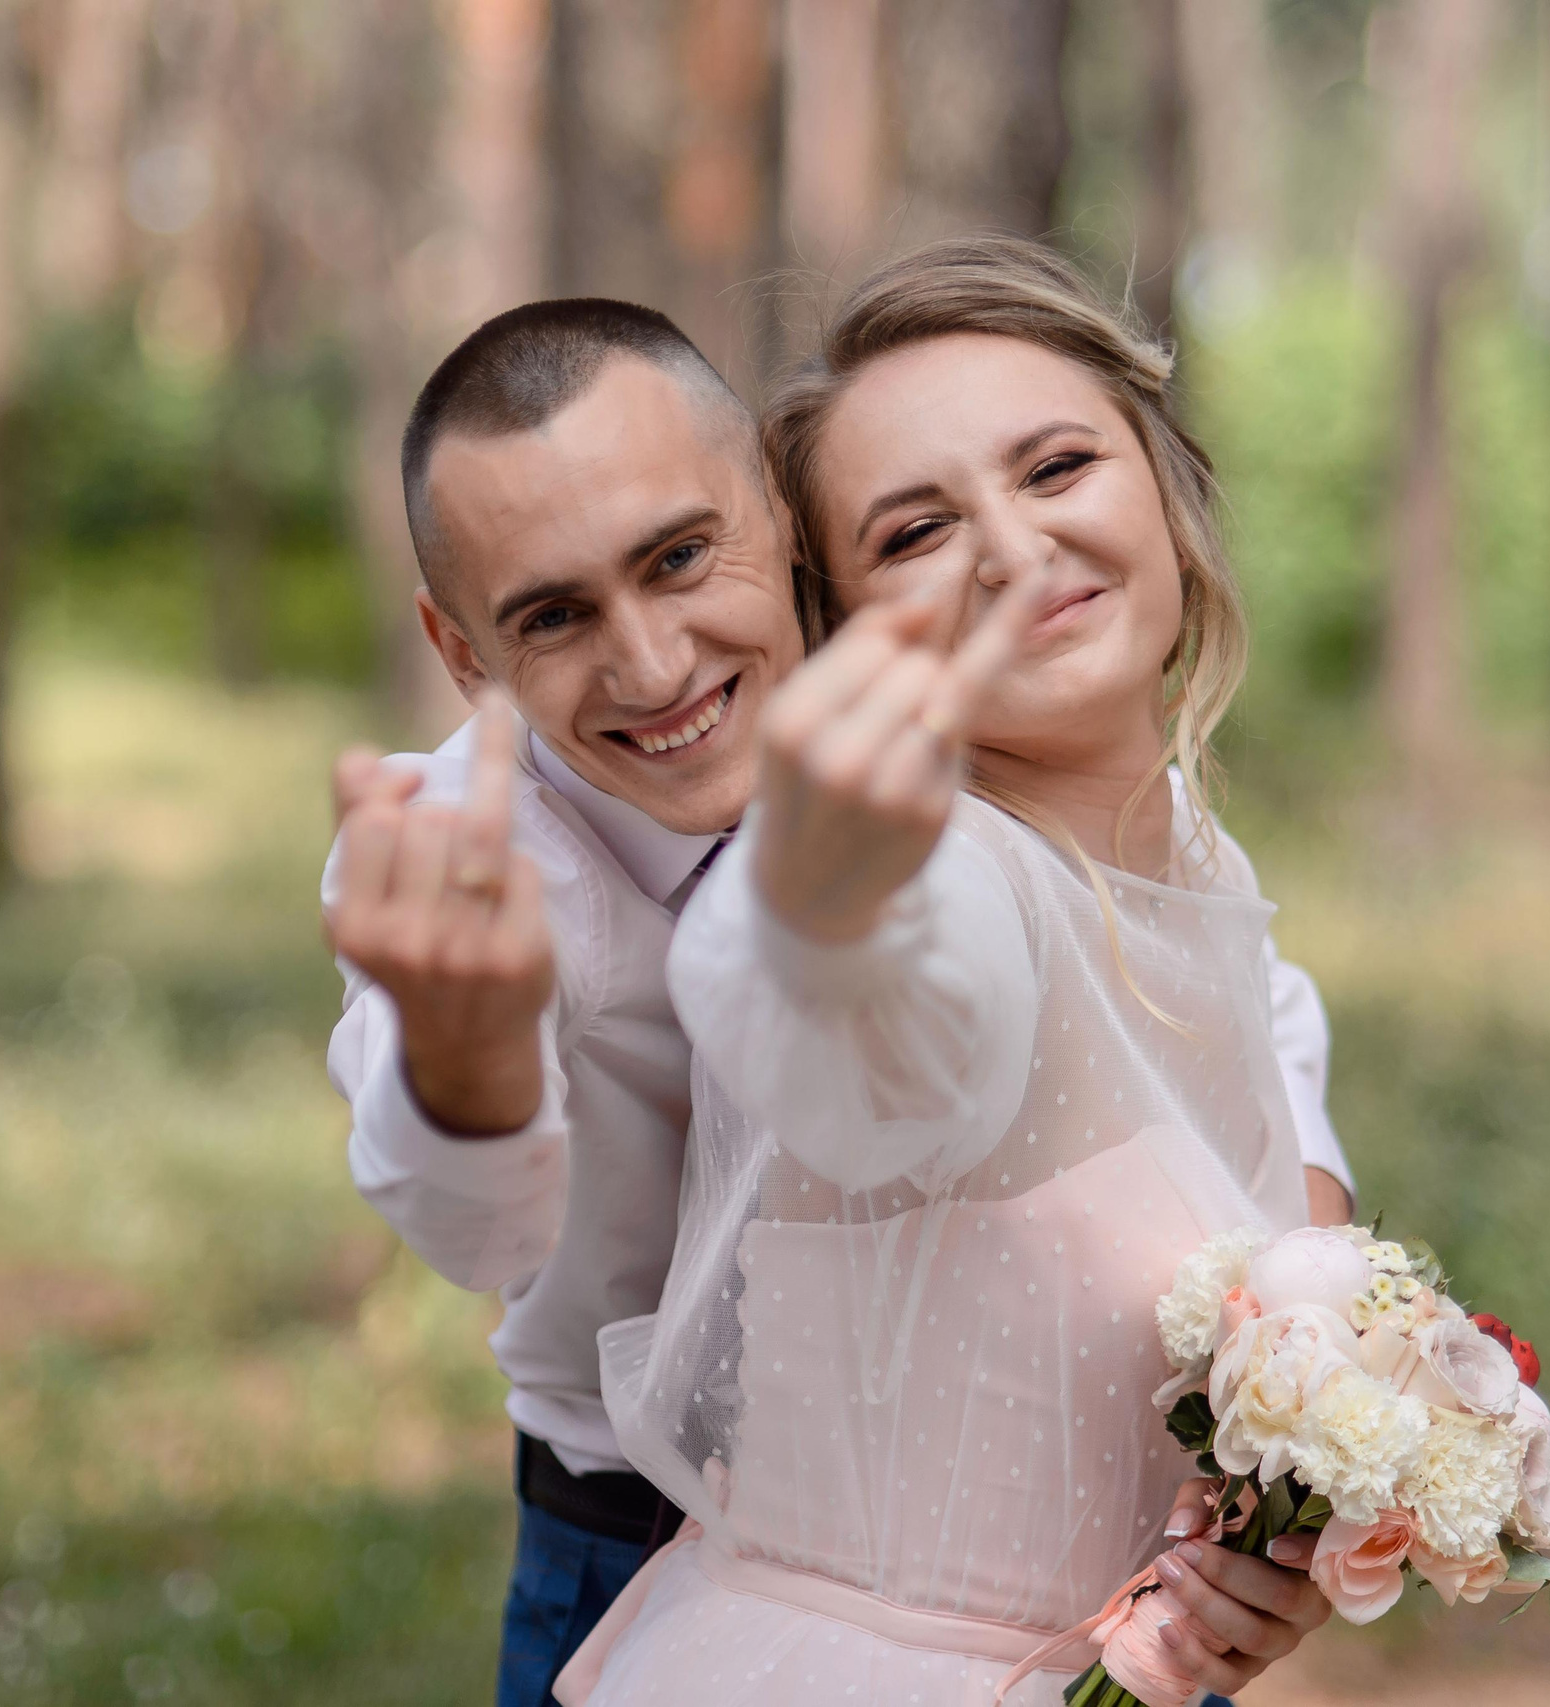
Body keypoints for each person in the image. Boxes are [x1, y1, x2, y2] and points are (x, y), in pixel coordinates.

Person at [324, 295, 1349, 1707]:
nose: (654, 664)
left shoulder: (1035, 774)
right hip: (641, 1538)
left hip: (1068, 1582)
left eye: (682, 558)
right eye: (552, 617)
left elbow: (1239, 1022)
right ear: (460, 652)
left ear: (781, 529)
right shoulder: (475, 856)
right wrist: (469, 1062)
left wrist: (1307, 1354)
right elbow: (481, 1219)